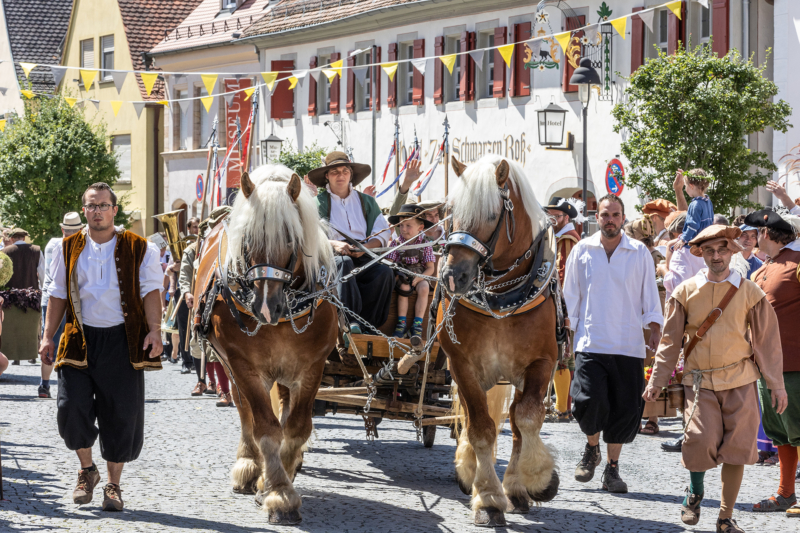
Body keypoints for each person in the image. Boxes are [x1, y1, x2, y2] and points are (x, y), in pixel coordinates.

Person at [644, 224, 786, 533]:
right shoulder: (685, 292)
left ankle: (725, 516)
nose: (716, 256)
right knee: (698, 441)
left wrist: (776, 384)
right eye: (709, 251)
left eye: (722, 249)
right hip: (699, 382)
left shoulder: (751, 292)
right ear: (701, 254)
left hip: (741, 380)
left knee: (738, 448)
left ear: (732, 251)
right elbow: (670, 341)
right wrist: (657, 380)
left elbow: (767, 342)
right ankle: (695, 492)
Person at [39, 182, 164, 512]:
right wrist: (46, 336)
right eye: (91, 206)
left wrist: (154, 331)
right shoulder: (66, 248)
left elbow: (152, 291)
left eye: (103, 205)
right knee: (70, 408)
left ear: (114, 210)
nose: (97, 211)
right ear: (84, 211)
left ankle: (113, 486)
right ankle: (86, 470)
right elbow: (57, 294)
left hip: (123, 340)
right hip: (78, 338)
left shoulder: (141, 247)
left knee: (121, 414)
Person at [563, 194, 663, 494]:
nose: (610, 220)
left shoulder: (638, 253)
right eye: (605, 215)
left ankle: (612, 470)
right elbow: (571, 297)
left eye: (616, 215)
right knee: (586, 402)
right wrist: (567, 336)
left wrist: (655, 328)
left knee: (624, 410)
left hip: (628, 343)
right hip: (591, 340)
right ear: (598, 216)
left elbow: (650, 294)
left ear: (623, 218)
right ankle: (592, 448)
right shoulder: (582, 250)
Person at [744, 208, 800, 517]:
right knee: (780, 433)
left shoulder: (797, 263)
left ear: (766, 234)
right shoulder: (761, 269)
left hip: (795, 364)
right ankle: (785, 493)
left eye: (754, 233)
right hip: (766, 368)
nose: (750, 238)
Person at [309, 151, 394, 333]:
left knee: (384, 272)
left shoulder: (368, 202)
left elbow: (382, 233)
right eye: (335, 172)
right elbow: (310, 235)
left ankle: (369, 326)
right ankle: (349, 322)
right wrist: (334, 245)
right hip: (331, 256)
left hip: (363, 253)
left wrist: (366, 248)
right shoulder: (316, 203)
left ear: (351, 175)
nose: (341, 176)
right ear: (327, 176)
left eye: (344, 171)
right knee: (344, 263)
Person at [545, 196, 584, 422]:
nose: (551, 219)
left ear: (566, 217)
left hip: (562, 303)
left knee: (563, 354)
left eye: (555, 216)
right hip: (559, 301)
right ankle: (563, 407)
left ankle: (562, 408)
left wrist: (559, 304)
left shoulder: (568, 239)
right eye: (549, 215)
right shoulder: (559, 236)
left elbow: (563, 273)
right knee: (562, 354)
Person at [629, 215, 667, 436]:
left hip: (650, 319)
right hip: (649, 318)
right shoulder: (657, 253)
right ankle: (645, 417)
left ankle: (650, 418)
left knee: (648, 368)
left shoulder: (646, 256)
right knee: (647, 368)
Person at [39, 212, 84, 398]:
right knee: (75, 342)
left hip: (49, 298)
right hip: (70, 299)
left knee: (49, 341)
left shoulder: (52, 243)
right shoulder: (80, 245)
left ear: (62, 228)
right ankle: (70, 386)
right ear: (80, 229)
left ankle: (45, 385)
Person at [386, 204, 435, 338]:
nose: (403, 229)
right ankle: (401, 323)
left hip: (419, 274)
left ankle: (417, 325)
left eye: (408, 226)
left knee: (424, 287)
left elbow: (431, 268)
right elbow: (390, 263)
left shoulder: (425, 243)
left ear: (420, 227)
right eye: (401, 225)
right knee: (404, 287)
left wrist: (420, 277)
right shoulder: (396, 243)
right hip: (402, 274)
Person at [3, 228, 45, 367]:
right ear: (24, 238)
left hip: (11, 295)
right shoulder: (36, 250)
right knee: (32, 327)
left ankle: (15, 357)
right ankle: (32, 355)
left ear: (13, 238)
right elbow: (42, 272)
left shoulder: (5, 252)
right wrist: (42, 290)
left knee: (13, 326)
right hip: (31, 295)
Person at [675, 169, 714, 250]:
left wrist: (683, 240)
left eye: (686, 186)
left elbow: (693, 226)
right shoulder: (708, 201)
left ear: (691, 186)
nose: (685, 189)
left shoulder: (695, 204)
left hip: (694, 243)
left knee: (671, 248)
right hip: (706, 239)